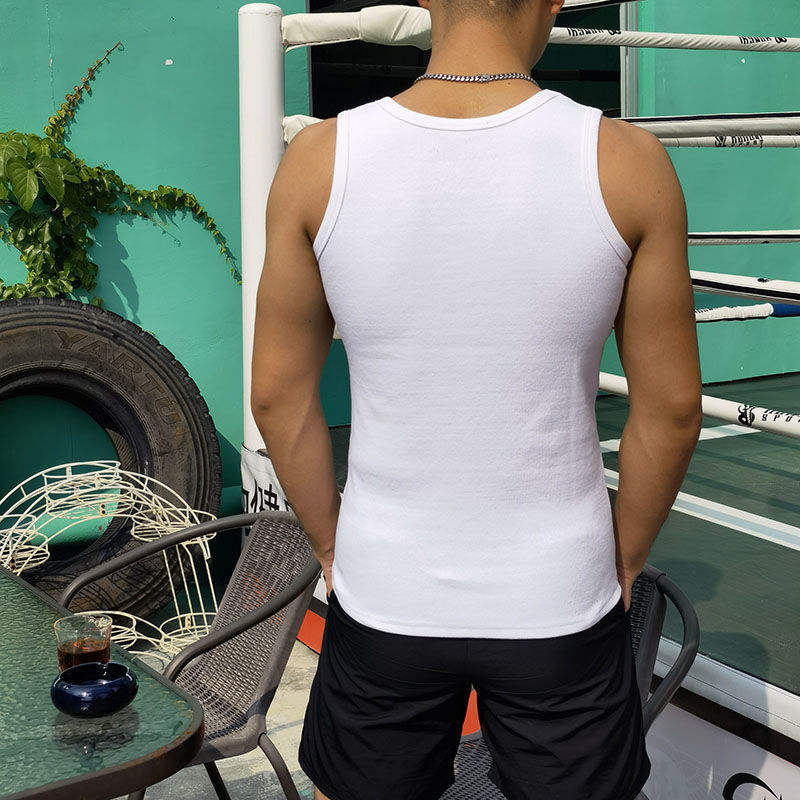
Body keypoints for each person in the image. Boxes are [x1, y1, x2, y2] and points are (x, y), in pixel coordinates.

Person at [250, 0, 703, 797]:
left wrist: (332, 548)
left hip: (385, 583)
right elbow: (670, 409)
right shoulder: (627, 161)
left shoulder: (320, 159)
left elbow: (277, 396)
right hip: (559, 592)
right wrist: (625, 562)